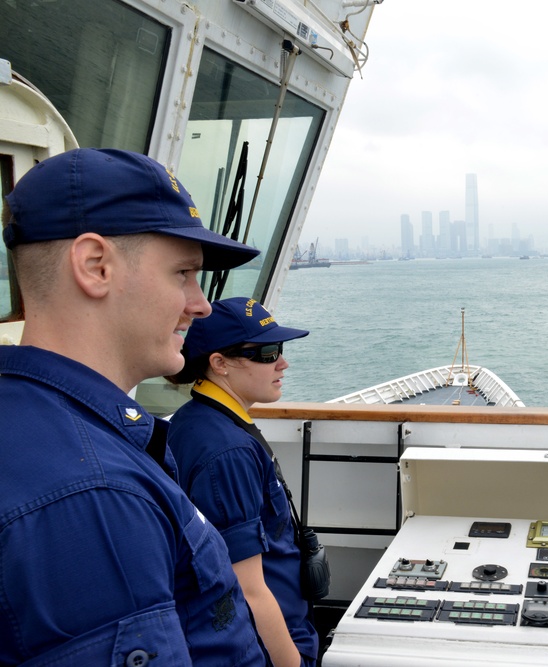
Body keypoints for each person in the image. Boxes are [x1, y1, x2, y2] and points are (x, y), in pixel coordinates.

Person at [0, 148, 267, 665]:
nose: (201, 303)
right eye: (183, 274)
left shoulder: (34, 422)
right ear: (95, 266)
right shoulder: (92, 495)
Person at [166, 297, 321, 667]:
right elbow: (247, 588)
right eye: (267, 353)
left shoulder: (196, 421)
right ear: (219, 363)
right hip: (266, 645)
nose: (283, 362)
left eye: (280, 349)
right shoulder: (226, 451)